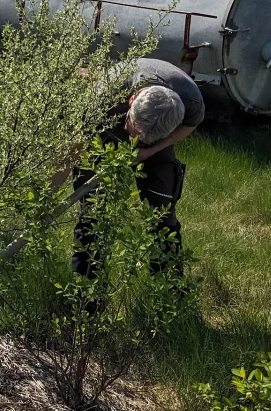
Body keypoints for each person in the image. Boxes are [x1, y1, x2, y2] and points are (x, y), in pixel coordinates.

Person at [71, 57, 205, 279]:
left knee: (162, 214)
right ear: (132, 100)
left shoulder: (191, 100)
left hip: (155, 141)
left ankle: (168, 297)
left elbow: (190, 125)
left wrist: (149, 151)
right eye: (132, 133)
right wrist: (46, 200)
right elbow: (72, 151)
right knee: (92, 217)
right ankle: (87, 300)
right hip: (103, 131)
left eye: (141, 139)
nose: (133, 141)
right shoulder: (103, 97)